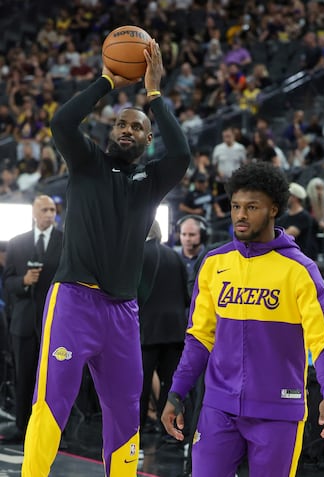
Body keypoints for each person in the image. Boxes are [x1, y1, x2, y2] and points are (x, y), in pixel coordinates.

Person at [21, 39, 191, 477]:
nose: (126, 130)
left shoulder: (151, 180)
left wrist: (154, 95)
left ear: (147, 137)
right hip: (74, 301)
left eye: (136, 127)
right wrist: (106, 81)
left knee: (124, 409)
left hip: (122, 311)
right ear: (111, 132)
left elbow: (182, 154)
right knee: (52, 400)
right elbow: (61, 122)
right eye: (120, 124)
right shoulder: (87, 162)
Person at [161, 161, 324, 477]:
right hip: (218, 408)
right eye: (235, 207)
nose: (240, 215)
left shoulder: (299, 271)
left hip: (278, 411)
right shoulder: (214, 263)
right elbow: (199, 338)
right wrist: (176, 393)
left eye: (251, 207)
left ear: (273, 209)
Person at [2, 195, 63, 444]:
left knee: (55, 380)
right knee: (24, 376)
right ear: (34, 213)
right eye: (45, 209)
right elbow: (7, 282)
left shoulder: (66, 241)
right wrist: (23, 281)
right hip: (24, 322)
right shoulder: (17, 243)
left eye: (52, 210)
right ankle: (21, 426)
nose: (50, 213)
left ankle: (56, 431)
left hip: (56, 322)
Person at [137, 220, 190, 439]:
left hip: (147, 330)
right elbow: (186, 296)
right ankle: (169, 432)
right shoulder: (176, 256)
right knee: (170, 384)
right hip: (175, 330)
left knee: (141, 385)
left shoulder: (137, 254)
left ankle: (136, 430)